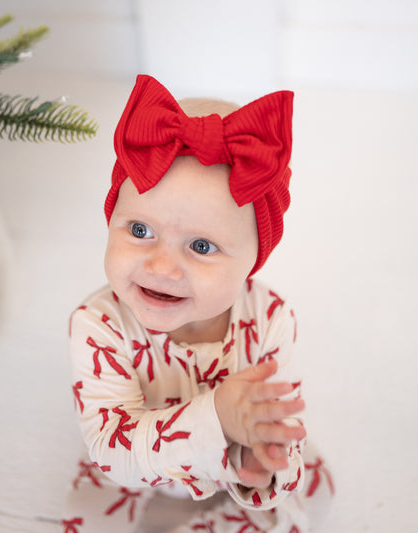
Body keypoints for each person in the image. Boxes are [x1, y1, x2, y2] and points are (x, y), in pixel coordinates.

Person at [62, 75, 333, 532]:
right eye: (140, 230)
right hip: (136, 461)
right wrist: (216, 416)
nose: (162, 267)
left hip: (225, 464)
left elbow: (269, 416)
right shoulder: (98, 324)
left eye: (202, 247)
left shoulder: (269, 320)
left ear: (252, 262)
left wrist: (255, 458)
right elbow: (112, 448)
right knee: (91, 512)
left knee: (305, 491)